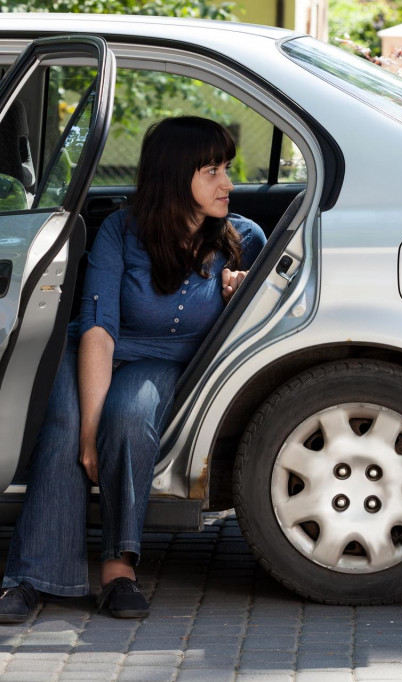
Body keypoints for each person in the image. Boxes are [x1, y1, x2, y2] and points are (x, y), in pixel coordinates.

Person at [0, 116, 266, 620]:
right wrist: (87, 435)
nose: (227, 183)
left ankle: (119, 570)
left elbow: (267, 320)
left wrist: (240, 295)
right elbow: (99, 327)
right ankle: (33, 576)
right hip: (98, 347)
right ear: (173, 174)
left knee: (130, 420)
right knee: (64, 427)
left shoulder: (244, 237)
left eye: (225, 168)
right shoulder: (121, 231)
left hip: (166, 361)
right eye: (212, 170)